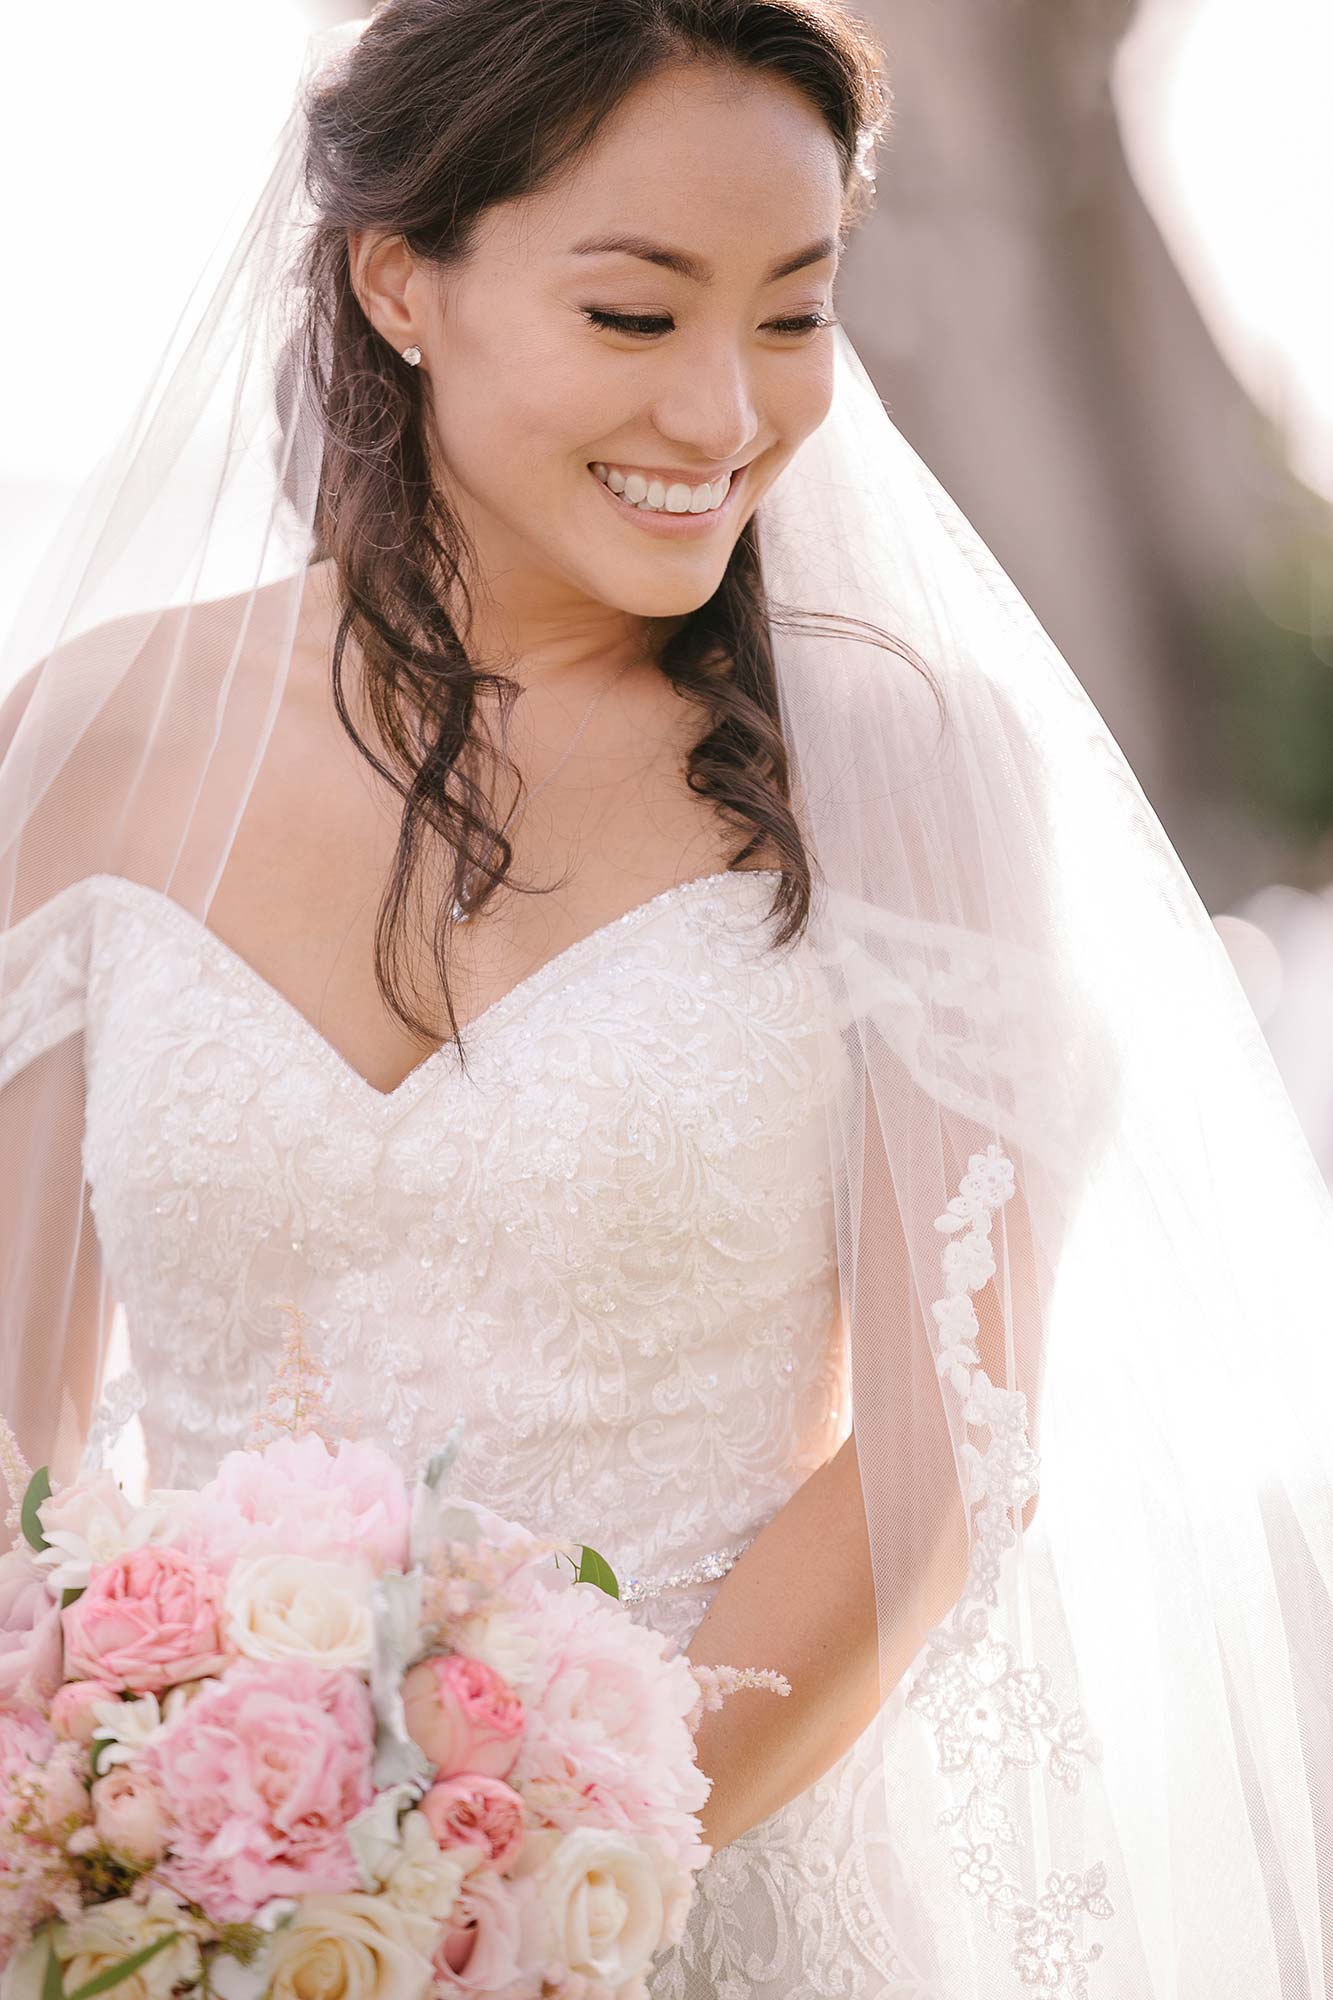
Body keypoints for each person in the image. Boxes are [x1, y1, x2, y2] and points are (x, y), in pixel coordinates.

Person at [4, 4, 1333, 1995]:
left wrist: (495, 1897)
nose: (725, 411)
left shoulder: (897, 768)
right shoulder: (99, 737)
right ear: (399, 283)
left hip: (712, 1899)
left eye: (791, 314)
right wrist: (141, 1844)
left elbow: (937, 1455)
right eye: (635, 316)